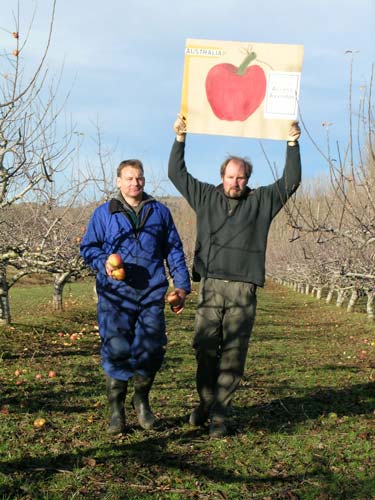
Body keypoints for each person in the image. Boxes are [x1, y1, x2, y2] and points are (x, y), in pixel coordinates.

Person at [168, 115, 301, 437]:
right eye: (230, 176)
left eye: (241, 178)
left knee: (233, 353)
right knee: (204, 348)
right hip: (211, 286)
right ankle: (207, 401)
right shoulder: (206, 197)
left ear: (247, 179)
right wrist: (180, 138)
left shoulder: (261, 202)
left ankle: (220, 415)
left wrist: (292, 143)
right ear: (222, 177)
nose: (235, 182)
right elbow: (176, 173)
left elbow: (290, 180)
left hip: (243, 290)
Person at [81, 159, 191, 434]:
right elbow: (88, 247)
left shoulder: (160, 212)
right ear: (118, 182)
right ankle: (116, 410)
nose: (135, 183)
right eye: (129, 178)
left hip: (151, 293)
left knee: (152, 348)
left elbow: (174, 249)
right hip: (115, 296)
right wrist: (103, 262)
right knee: (117, 349)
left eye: (139, 178)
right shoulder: (105, 213)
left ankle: (141, 400)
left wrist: (181, 285)